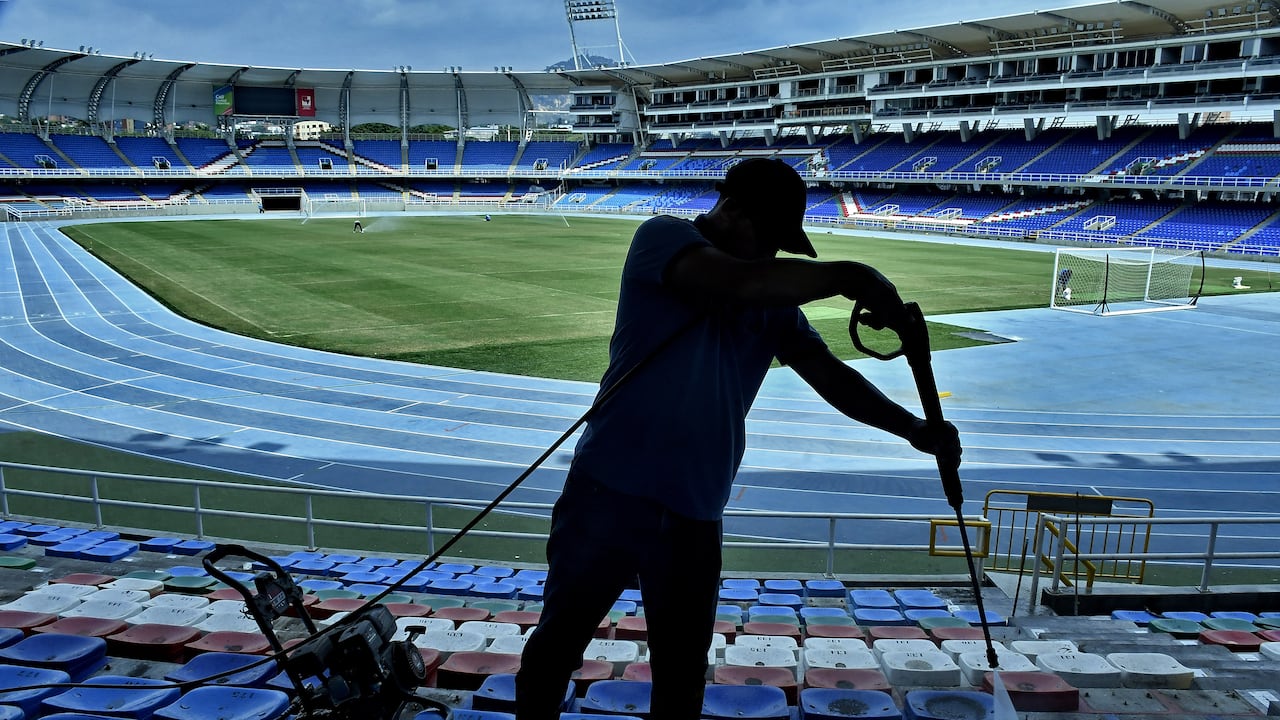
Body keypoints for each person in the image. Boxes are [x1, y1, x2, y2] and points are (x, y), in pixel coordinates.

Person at [514, 158, 961, 720]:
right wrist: (854, 276)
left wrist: (914, 428)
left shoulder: (770, 300)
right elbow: (740, 282)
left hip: (694, 513)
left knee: (681, 675)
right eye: (768, 236)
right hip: (608, 494)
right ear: (731, 209)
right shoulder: (663, 237)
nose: (773, 254)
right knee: (557, 648)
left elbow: (829, 374)